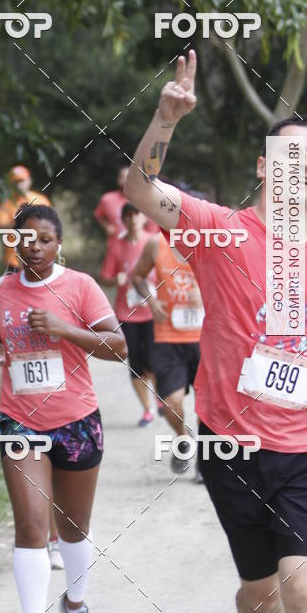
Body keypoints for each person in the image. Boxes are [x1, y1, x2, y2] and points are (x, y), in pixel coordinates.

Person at [124, 50, 307, 613]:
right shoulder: (218, 231)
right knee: (260, 595)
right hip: (232, 441)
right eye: (295, 157)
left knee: (306, 593)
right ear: (267, 167)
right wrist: (164, 120)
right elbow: (138, 191)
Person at [0, 205, 127, 613]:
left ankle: (76, 605)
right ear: (14, 243)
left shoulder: (80, 286)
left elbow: (118, 347)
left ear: (59, 244)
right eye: (25, 238)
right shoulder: (0, 289)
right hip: (20, 421)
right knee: (31, 527)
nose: (34, 246)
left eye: (44, 239)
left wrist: (64, 329)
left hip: (76, 422)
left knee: (74, 529)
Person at [132, 230, 203, 472]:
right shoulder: (156, 244)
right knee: (171, 402)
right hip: (167, 337)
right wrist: (151, 301)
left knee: (209, 405)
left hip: (206, 338)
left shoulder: (213, 241)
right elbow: (138, 276)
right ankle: (183, 438)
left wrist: (206, 294)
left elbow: (235, 279)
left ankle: (205, 464)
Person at [99, 203, 157, 426]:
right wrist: (116, 280)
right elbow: (105, 277)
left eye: (137, 214)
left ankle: (160, 397)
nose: (133, 219)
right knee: (135, 364)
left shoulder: (153, 241)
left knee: (153, 362)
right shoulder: (116, 245)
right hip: (127, 314)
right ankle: (148, 409)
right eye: (129, 215)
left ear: (145, 218)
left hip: (152, 312)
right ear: (123, 220)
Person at [0, 166, 51, 273]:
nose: (19, 185)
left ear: (29, 181)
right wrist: (19, 220)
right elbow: (1, 227)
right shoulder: (6, 203)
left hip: (41, 258)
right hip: (14, 260)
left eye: (22, 181)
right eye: (15, 182)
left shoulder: (41, 200)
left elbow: (51, 226)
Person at [93, 165, 159, 245]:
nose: (125, 180)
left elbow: (152, 223)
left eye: (128, 177)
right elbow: (97, 214)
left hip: (140, 246)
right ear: (117, 179)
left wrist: (150, 240)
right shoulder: (107, 199)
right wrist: (107, 226)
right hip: (116, 244)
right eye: (122, 177)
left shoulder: (143, 199)